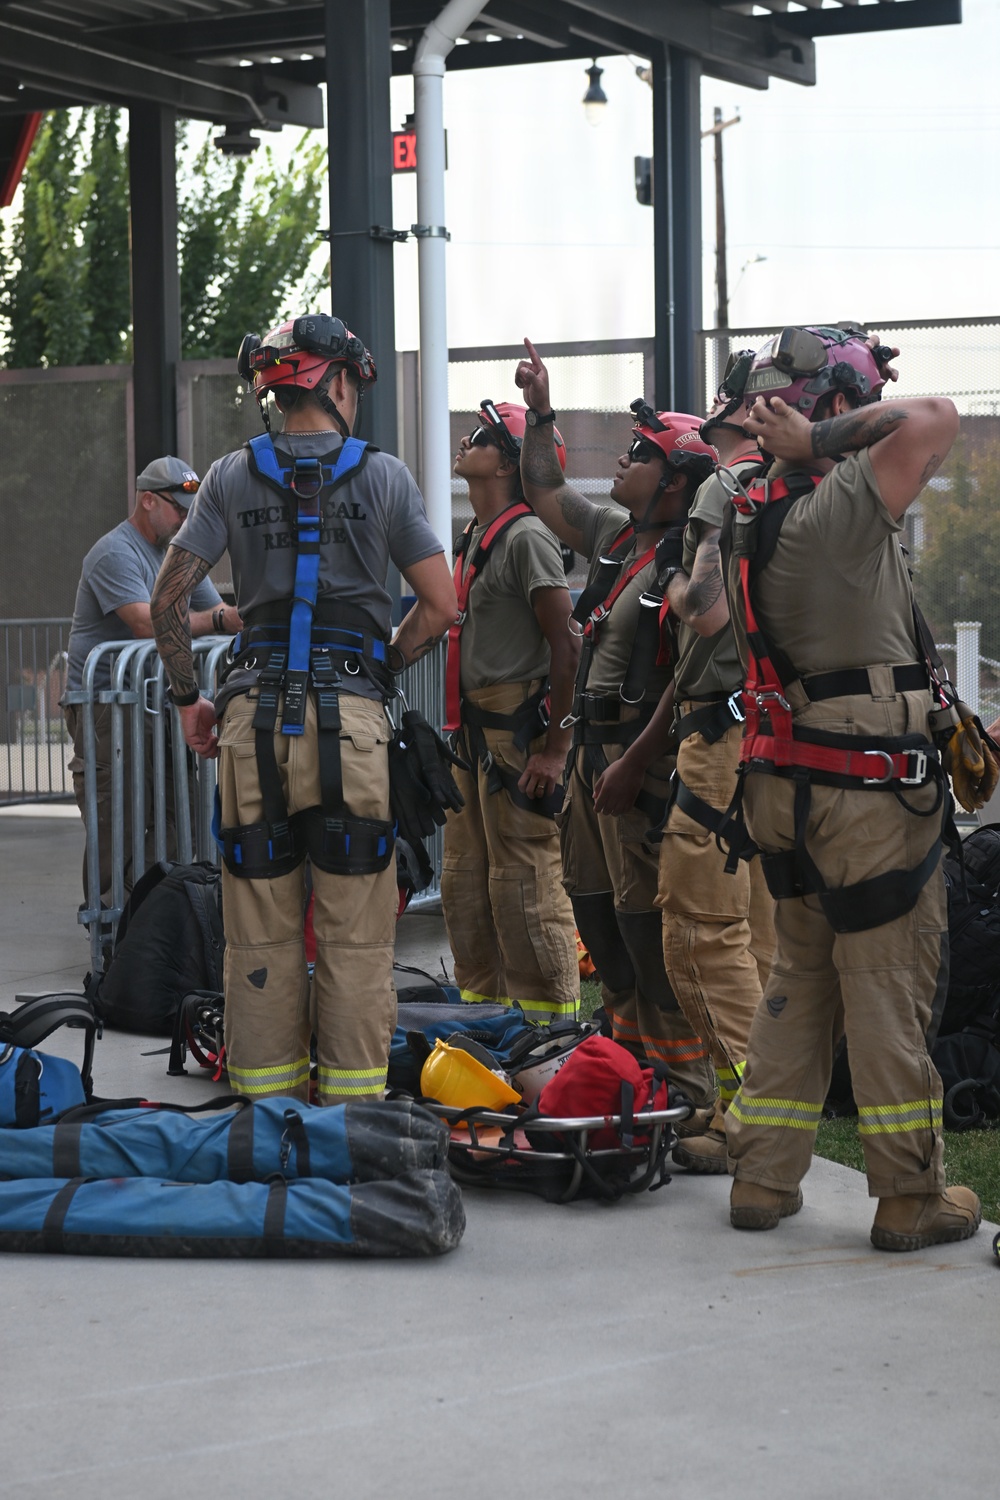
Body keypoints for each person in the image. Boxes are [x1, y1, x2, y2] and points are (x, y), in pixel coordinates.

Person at [150, 314, 457, 1105]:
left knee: (260, 927)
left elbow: (167, 601)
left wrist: (191, 701)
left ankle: (264, 1110)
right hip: (351, 724)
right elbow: (439, 603)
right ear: (339, 382)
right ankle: (352, 1118)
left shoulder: (227, 475)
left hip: (248, 721)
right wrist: (382, 664)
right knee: (355, 933)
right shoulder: (384, 478)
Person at [720, 325, 981, 1251]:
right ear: (833, 411)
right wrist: (825, 441)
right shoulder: (835, 505)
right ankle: (909, 1195)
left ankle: (761, 1176)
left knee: (801, 976)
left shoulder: (742, 508)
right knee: (885, 983)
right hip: (865, 796)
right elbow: (935, 417)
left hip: (787, 786)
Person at [515, 337, 717, 1108]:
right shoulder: (611, 540)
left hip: (639, 770)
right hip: (590, 765)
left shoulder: (687, 561)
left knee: (644, 931)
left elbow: (690, 675)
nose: (625, 463)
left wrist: (636, 760)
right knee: (596, 921)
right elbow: (546, 489)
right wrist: (540, 410)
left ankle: (687, 1087)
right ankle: (627, 1068)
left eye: (641, 454)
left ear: (675, 483)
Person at [649, 353, 777, 1172]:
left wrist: (668, 581)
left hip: (725, 744)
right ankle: (746, 1119)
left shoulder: (727, 487)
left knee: (698, 934)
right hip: (778, 741)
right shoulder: (812, 487)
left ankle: (758, 1116)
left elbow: (701, 612)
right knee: (760, 940)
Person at [442, 400, 581, 1020]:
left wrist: (554, 748)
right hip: (472, 734)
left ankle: (550, 1028)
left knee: (524, 881)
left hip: (514, 735)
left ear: (505, 464)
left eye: (479, 438)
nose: (464, 442)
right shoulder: (474, 536)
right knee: (466, 878)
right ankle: (487, 1020)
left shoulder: (526, 538)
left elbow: (567, 643)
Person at [63, 456, 239, 908]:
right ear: (147, 501)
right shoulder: (113, 552)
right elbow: (148, 623)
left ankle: (155, 916)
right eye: (180, 509)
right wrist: (219, 619)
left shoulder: (172, 555)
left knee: (180, 812)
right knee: (115, 815)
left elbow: (215, 612)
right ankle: (107, 930)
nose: (186, 519)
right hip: (105, 705)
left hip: (155, 702)